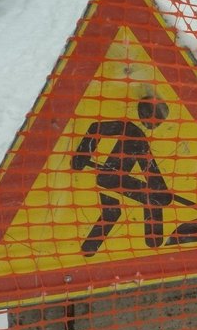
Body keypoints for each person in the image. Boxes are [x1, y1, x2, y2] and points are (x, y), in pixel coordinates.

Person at [71, 96, 174, 256]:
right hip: (109, 177)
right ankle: (88, 251)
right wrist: (80, 158)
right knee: (114, 209)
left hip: (113, 178)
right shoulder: (131, 130)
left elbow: (147, 164)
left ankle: (152, 235)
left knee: (117, 208)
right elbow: (96, 128)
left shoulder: (137, 134)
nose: (153, 125)